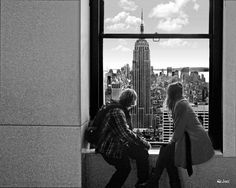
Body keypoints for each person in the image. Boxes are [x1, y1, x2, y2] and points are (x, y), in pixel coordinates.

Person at [145, 82, 214, 188]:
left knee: (165, 150)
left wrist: (171, 142)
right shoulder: (182, 103)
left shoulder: (180, 104)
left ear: (171, 93)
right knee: (169, 159)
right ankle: (158, 182)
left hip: (193, 140)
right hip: (194, 138)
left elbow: (179, 128)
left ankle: (153, 182)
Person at [96, 88, 151, 188]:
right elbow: (125, 133)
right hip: (110, 148)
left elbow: (124, 132)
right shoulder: (118, 112)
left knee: (142, 153)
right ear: (132, 101)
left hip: (116, 143)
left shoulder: (116, 108)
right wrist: (143, 142)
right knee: (125, 168)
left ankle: (142, 183)